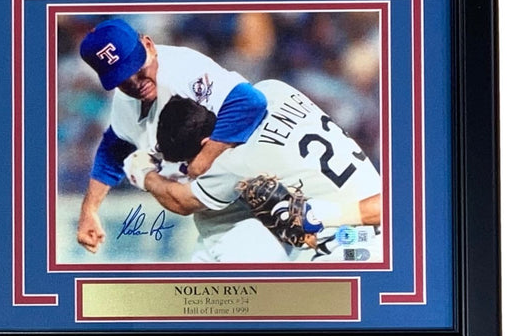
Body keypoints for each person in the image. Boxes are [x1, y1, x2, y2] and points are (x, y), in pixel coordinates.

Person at [125, 79, 381, 262]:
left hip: (349, 248)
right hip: (375, 209)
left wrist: (145, 174)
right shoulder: (272, 89)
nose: (189, 168)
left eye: (188, 161)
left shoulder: (233, 163)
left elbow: (182, 201)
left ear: (206, 144)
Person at [75, 18, 268, 253]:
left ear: (149, 45)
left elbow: (250, 102)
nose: (136, 83)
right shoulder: (125, 100)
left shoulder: (182, 70)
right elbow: (113, 149)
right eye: (123, 79)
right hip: (218, 207)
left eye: (138, 70)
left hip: (260, 185)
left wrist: (203, 159)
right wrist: (89, 210)